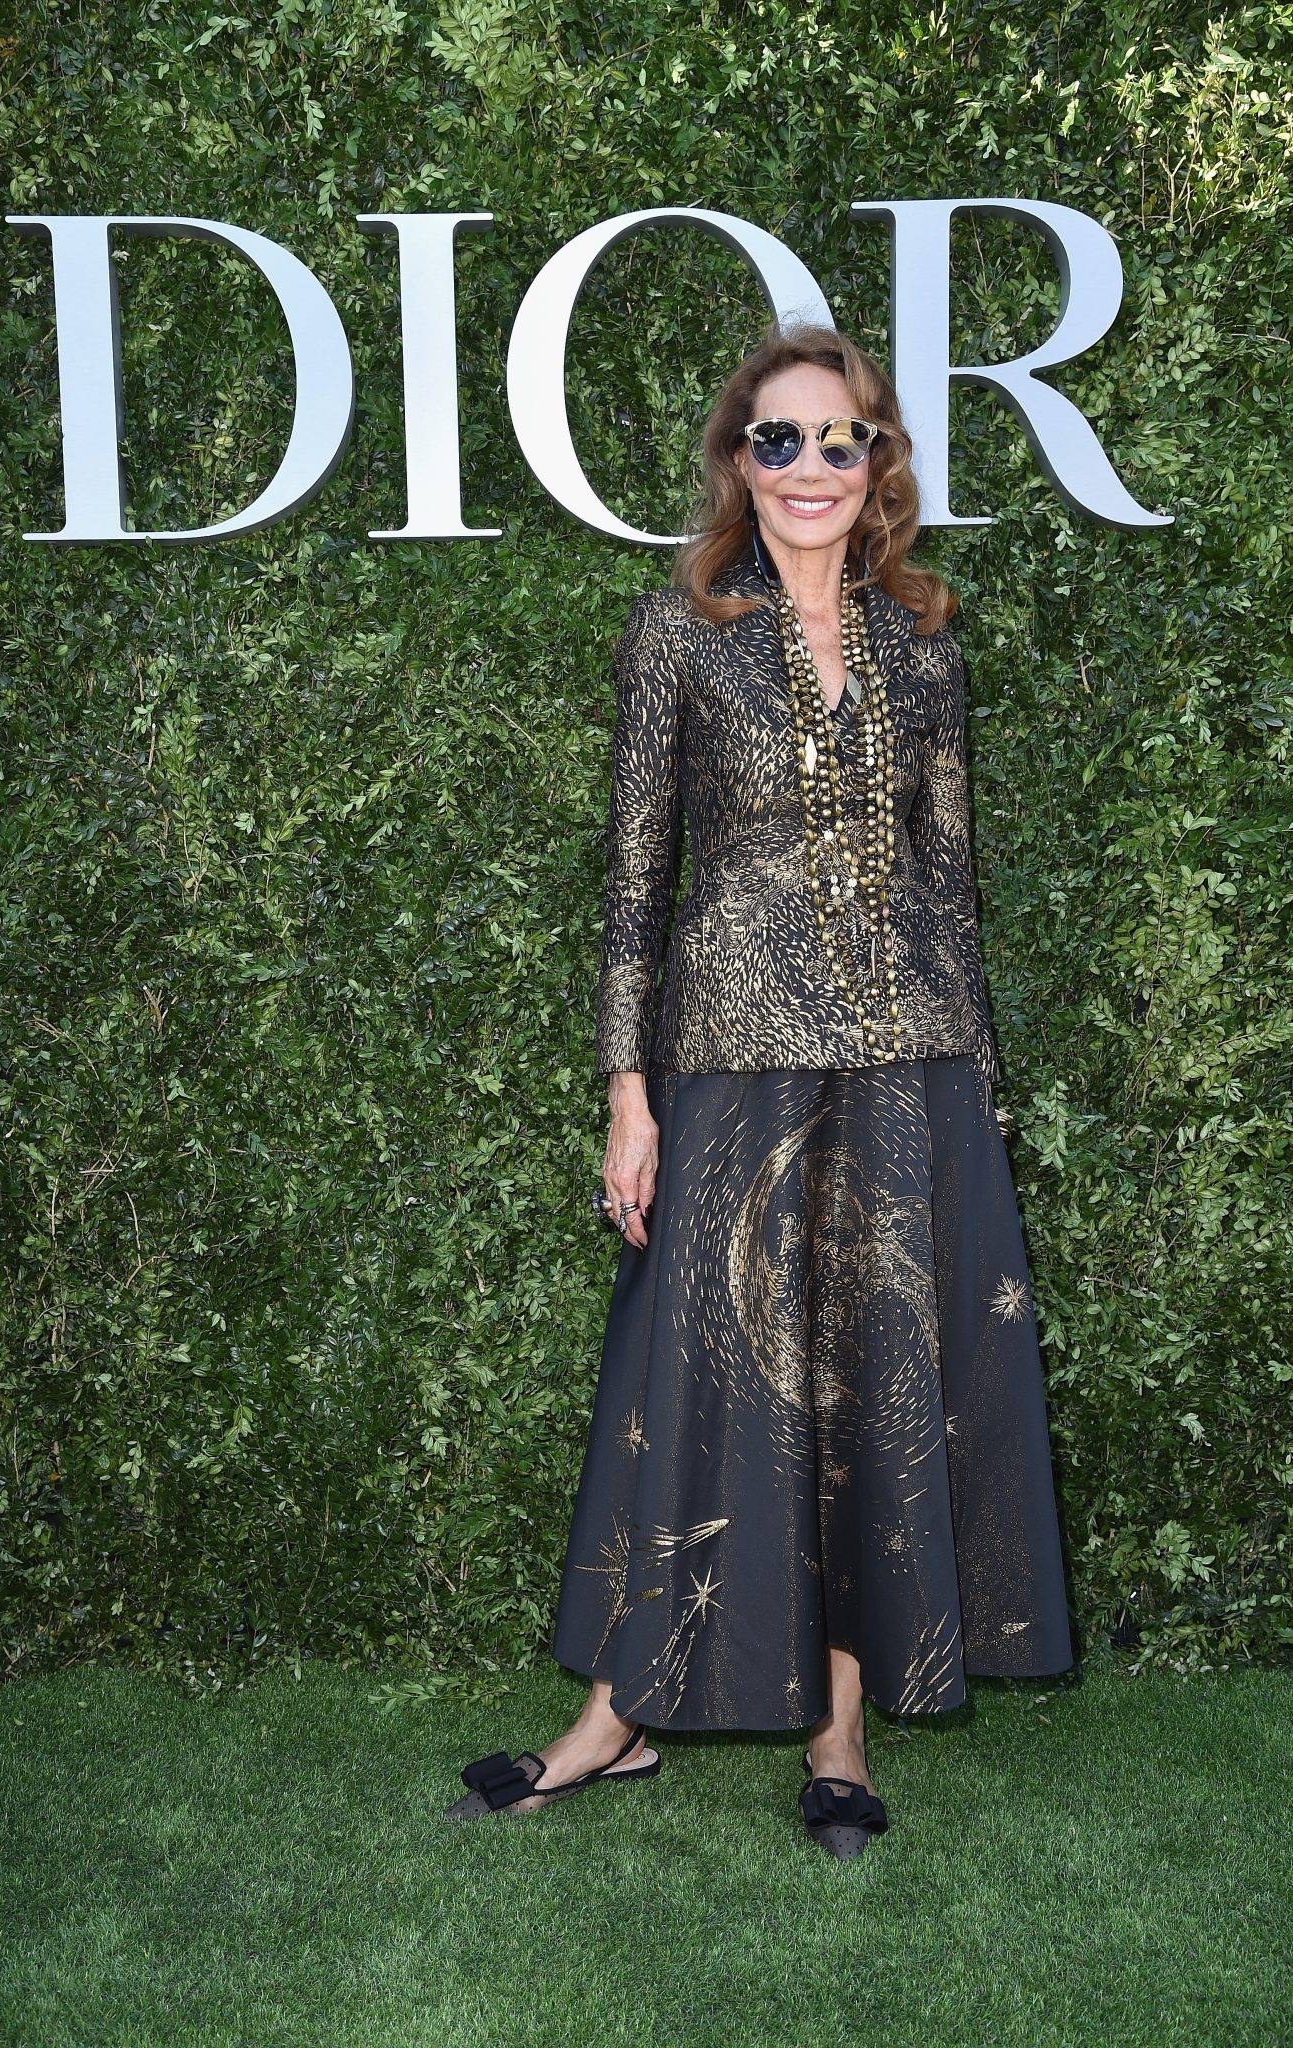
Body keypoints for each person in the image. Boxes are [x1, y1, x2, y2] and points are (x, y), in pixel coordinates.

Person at [445, 316, 1074, 1859]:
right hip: (726, 1055)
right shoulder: (680, 634)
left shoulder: (925, 648)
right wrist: (627, 1089)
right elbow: (633, 882)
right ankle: (616, 1721)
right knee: (700, 1381)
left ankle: (842, 1732)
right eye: (777, 439)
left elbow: (954, 890)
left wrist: (973, 1089)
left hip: (907, 1059)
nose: (808, 466)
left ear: (879, 465)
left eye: (837, 439)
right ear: (738, 462)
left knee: (877, 1379)